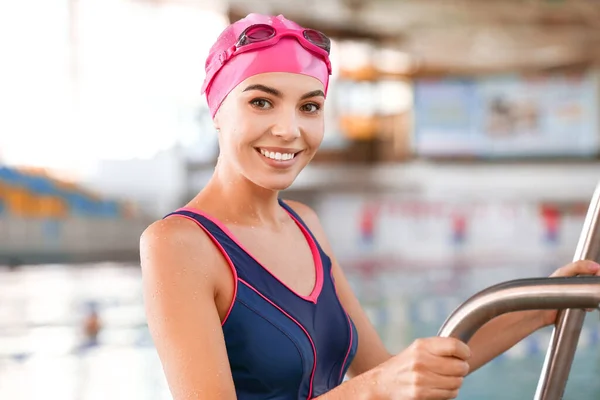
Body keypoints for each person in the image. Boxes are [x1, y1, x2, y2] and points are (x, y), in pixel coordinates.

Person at [139, 13, 600, 400]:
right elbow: (378, 384)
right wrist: (377, 387)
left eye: (309, 107)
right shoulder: (178, 244)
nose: (288, 129)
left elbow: (387, 371)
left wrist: (540, 307)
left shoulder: (305, 224)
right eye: (262, 102)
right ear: (216, 109)